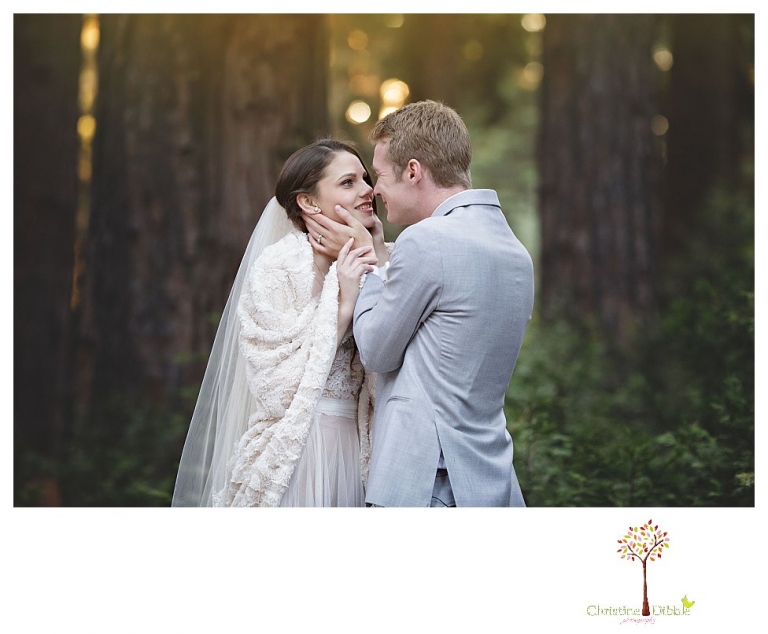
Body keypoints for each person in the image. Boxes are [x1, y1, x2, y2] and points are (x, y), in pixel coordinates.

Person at [303, 101, 534, 507]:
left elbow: (375, 350)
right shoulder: (514, 251)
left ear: (413, 171)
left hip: (426, 481)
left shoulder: (426, 240)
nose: (374, 191)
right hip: (488, 477)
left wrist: (368, 260)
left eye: (381, 176)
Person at [172, 139, 390, 507]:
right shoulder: (277, 268)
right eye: (349, 182)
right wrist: (344, 302)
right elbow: (276, 389)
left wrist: (378, 255)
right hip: (298, 450)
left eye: (366, 179)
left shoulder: (384, 258)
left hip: (361, 449)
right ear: (308, 202)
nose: (369, 190)